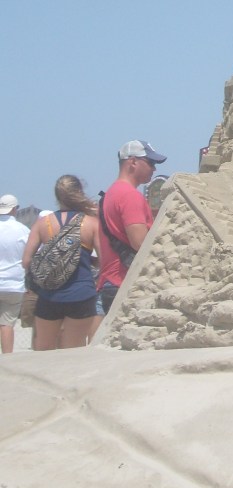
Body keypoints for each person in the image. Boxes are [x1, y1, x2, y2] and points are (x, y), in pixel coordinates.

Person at [22, 177, 100, 350]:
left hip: (49, 295)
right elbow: (104, 260)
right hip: (82, 293)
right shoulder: (91, 223)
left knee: (44, 349)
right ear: (79, 192)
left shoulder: (43, 223)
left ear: (57, 196)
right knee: (73, 350)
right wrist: (86, 259)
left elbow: (26, 261)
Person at [98, 140, 166, 314]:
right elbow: (140, 243)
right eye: (150, 163)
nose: (154, 169)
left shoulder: (112, 192)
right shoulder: (130, 196)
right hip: (124, 282)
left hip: (111, 281)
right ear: (133, 162)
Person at [0, 194, 29, 353]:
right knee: (7, 325)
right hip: (14, 285)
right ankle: (7, 359)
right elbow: (33, 254)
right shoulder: (22, 230)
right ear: (15, 209)